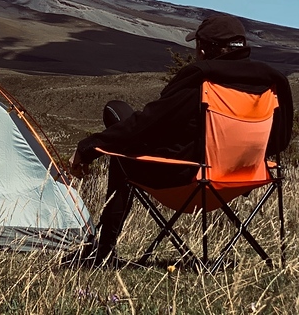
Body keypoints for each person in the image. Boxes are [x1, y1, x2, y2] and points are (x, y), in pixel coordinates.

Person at [68, 14, 294, 266]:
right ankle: (102, 252)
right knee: (122, 123)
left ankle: (104, 254)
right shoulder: (273, 82)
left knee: (120, 148)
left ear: (205, 49)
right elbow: (279, 142)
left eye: (197, 45)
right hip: (243, 178)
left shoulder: (201, 79)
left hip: (188, 180)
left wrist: (89, 147)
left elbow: (145, 125)